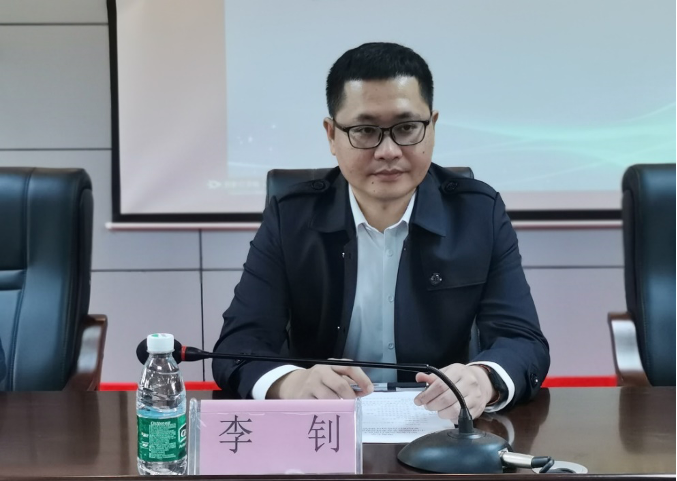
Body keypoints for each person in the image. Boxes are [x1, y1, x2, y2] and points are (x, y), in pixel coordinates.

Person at [213, 42, 549, 422]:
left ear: (432, 127)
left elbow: (523, 341)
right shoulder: (291, 218)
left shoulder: (477, 214)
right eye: (365, 130)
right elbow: (238, 345)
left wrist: (483, 379)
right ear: (331, 135)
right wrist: (291, 384)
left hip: (442, 429)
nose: (388, 150)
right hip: (323, 431)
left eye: (406, 128)